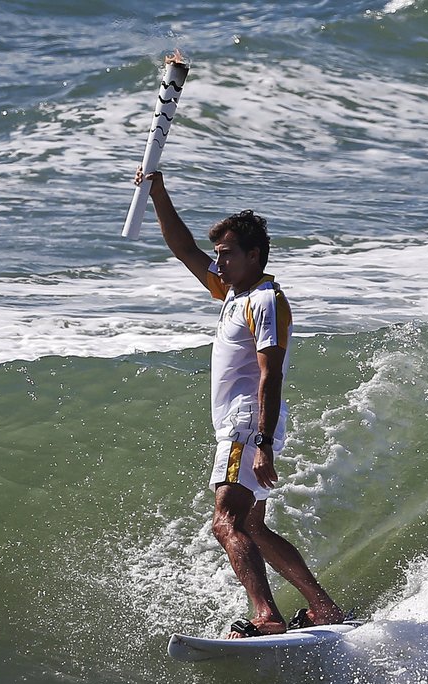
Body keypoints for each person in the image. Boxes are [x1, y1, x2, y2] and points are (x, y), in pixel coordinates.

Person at [135, 167, 344, 638]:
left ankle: (265, 617)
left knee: (225, 521)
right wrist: (158, 194)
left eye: (227, 254)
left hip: (247, 422)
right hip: (246, 424)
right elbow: (184, 249)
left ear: (254, 255)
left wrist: (263, 442)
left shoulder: (264, 300)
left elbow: (271, 375)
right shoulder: (234, 292)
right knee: (253, 527)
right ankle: (322, 607)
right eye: (219, 255)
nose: (218, 262)